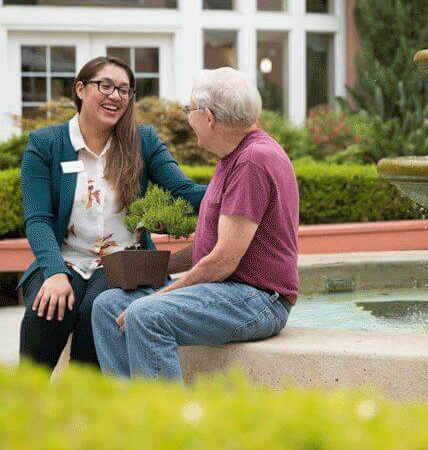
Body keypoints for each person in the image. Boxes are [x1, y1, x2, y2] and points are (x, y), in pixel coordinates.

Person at [92, 67, 299, 380]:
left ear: (209, 117)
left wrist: (159, 295)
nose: (188, 118)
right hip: (228, 290)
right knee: (108, 305)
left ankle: (166, 423)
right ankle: (130, 411)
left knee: (146, 315)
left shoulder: (252, 162)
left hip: (258, 299)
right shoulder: (235, 155)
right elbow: (216, 247)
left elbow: (223, 261)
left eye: (189, 110)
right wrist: (159, 267)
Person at [19, 56, 207, 370]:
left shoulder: (142, 140)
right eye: (105, 86)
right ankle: (24, 402)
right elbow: (37, 219)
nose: (115, 96)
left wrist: (240, 185)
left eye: (124, 90)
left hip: (124, 261)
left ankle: (88, 409)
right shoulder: (46, 144)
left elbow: (184, 191)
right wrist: (53, 273)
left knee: (98, 309)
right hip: (64, 256)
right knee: (48, 307)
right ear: (80, 89)